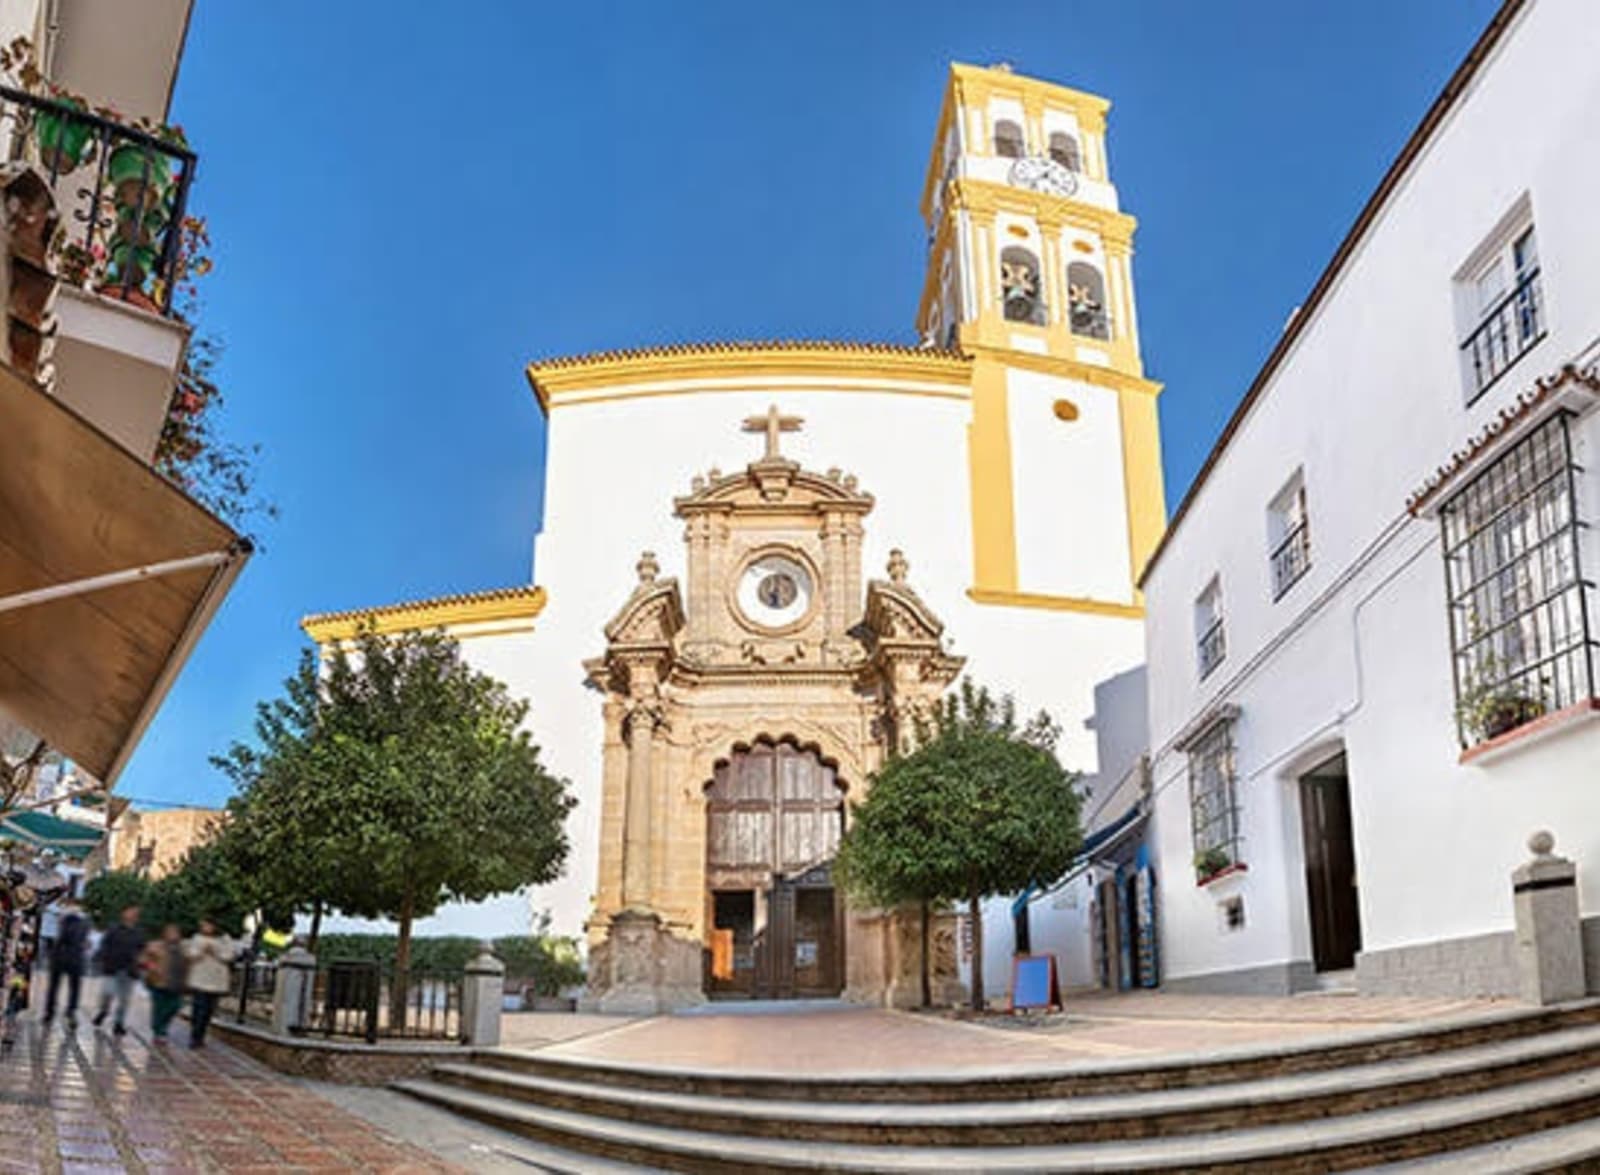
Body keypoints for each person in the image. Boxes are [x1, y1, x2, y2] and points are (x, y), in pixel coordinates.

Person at [91, 905, 145, 1035]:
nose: (133, 914)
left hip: (129, 970)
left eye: (135, 913)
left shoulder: (139, 932)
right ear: (123, 913)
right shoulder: (113, 929)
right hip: (113, 967)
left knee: (124, 999)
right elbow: (105, 945)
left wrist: (140, 963)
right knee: (107, 993)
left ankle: (119, 1023)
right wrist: (99, 958)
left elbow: (141, 950)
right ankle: (103, 1011)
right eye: (130, 911)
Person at [183, 917, 234, 1048]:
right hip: (200, 979)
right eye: (203, 925)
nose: (205, 928)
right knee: (198, 1008)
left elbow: (229, 956)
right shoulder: (197, 938)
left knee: (208, 1010)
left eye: (207, 925)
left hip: (216, 980)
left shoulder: (224, 939)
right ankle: (195, 1036)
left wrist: (215, 952)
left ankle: (200, 1036)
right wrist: (201, 952)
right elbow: (190, 954)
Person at [42, 899, 89, 1027]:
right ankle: (66, 1012)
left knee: (58, 987)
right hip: (73, 958)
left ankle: (55, 1012)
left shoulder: (69, 921)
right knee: (69, 988)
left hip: (64, 958)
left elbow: (66, 937)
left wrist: (61, 923)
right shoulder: (83, 922)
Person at [139, 925, 187, 1044]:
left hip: (176, 982)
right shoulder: (155, 945)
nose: (173, 935)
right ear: (164, 934)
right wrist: (151, 967)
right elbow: (142, 959)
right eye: (170, 932)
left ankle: (161, 1026)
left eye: (175, 932)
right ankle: (159, 1031)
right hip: (158, 981)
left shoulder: (183, 947)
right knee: (159, 1007)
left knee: (176, 1006)